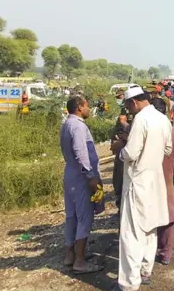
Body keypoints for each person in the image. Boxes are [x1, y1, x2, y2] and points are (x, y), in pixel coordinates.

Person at [115, 87, 172, 290]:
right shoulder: (162, 119)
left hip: (138, 181)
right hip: (155, 180)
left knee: (131, 234)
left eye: (128, 106)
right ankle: (145, 271)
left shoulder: (140, 119)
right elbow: (168, 149)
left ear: (134, 102)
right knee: (150, 227)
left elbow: (131, 153)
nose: (128, 110)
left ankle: (129, 284)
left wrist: (119, 153)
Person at [59, 95, 105, 275]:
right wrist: (91, 176)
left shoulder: (66, 124)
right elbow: (81, 152)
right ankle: (80, 261)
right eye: (87, 105)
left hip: (71, 173)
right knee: (84, 217)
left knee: (71, 216)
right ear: (79, 107)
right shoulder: (78, 126)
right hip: (81, 176)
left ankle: (69, 255)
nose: (88, 109)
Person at [152, 98, 174, 266]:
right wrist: (171, 173)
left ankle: (149, 251)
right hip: (166, 177)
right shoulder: (172, 131)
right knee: (167, 216)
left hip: (150, 178)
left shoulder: (147, 128)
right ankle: (165, 253)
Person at [110, 89, 132, 227]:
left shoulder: (140, 117)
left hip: (128, 151)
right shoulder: (124, 111)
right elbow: (116, 129)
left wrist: (124, 125)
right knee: (118, 181)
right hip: (121, 150)